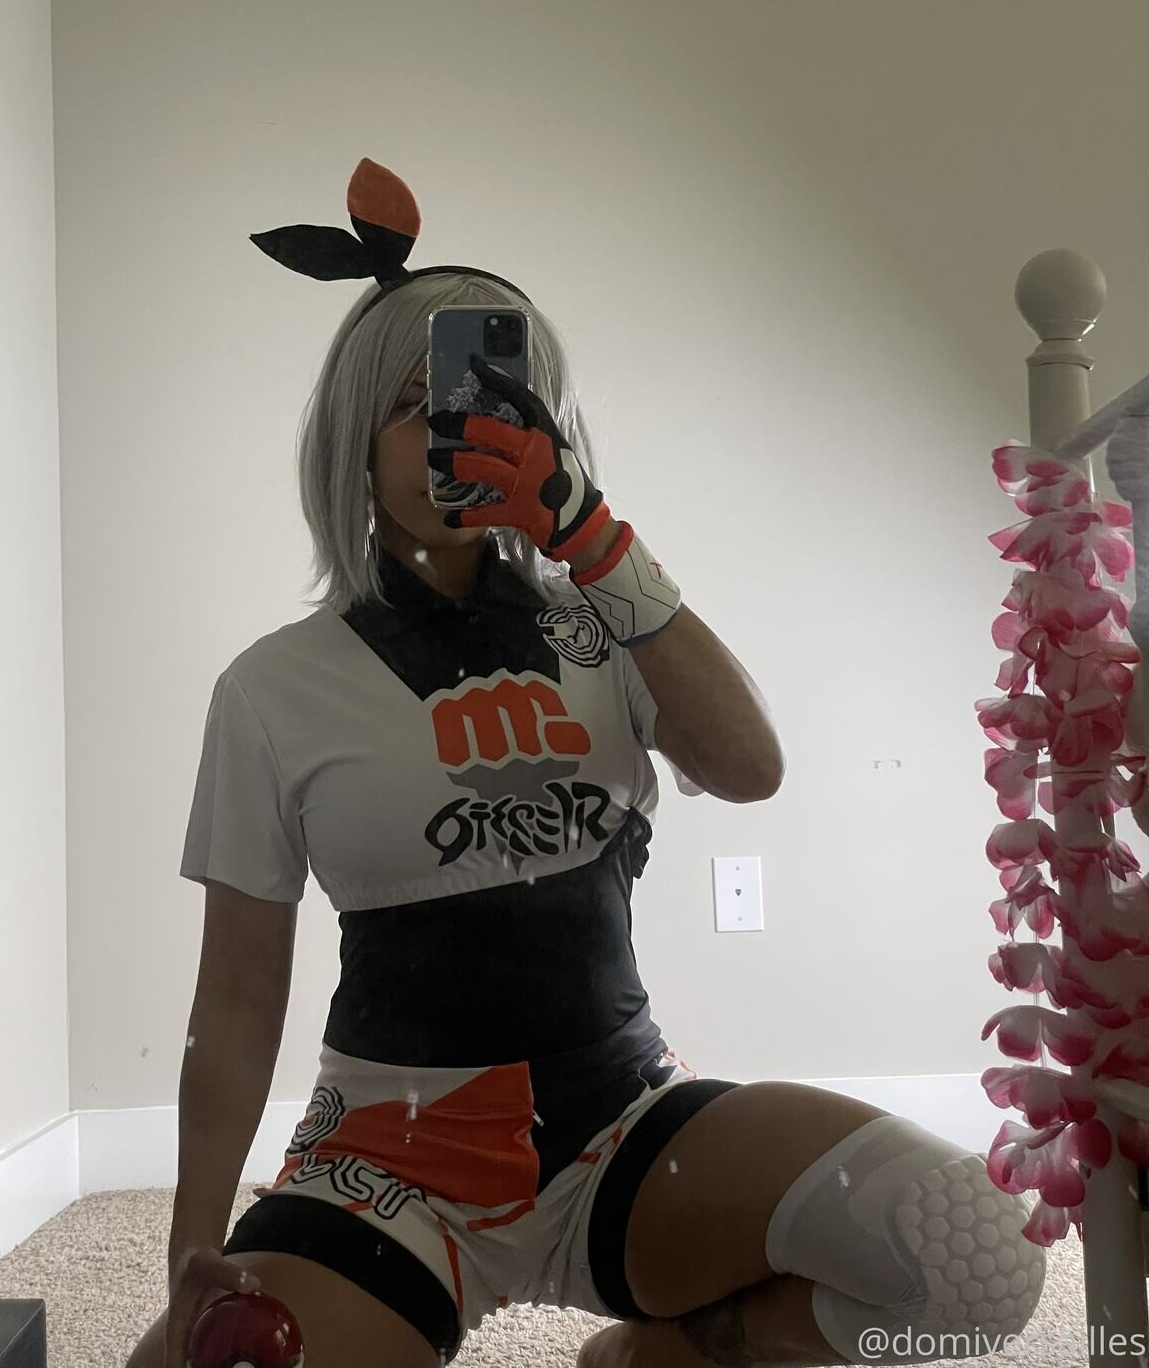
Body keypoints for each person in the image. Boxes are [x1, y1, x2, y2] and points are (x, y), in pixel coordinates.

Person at [126, 160, 1048, 1368]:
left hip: (623, 1122)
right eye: (410, 407)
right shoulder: (271, 688)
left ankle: (659, 1355)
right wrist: (191, 1245)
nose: (451, 433)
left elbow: (749, 766)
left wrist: (593, 538)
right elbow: (237, 1002)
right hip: (384, 1162)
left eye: (485, 403)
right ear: (350, 438)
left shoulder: (603, 622)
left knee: (976, 1261)